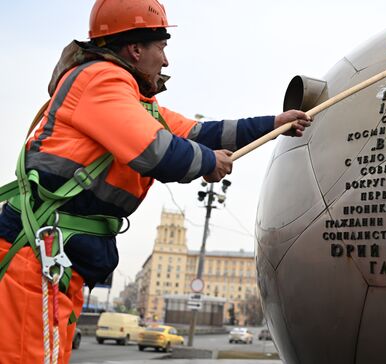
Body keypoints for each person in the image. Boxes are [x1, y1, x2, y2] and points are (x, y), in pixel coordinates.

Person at [0, 0, 311, 363]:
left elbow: (200, 133)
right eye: (161, 48)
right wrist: (209, 163)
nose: (165, 61)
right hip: (36, 261)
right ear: (135, 48)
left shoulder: (132, 100)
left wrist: (273, 124)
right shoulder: (99, 80)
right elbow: (157, 152)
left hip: (55, 263)